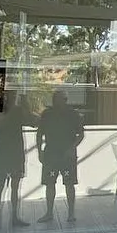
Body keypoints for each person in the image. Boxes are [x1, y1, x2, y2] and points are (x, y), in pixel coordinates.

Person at [36, 90, 85, 223]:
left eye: (58, 99)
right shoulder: (47, 114)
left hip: (67, 155)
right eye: (54, 99)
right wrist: (39, 151)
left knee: (69, 183)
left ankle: (71, 213)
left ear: (64, 100)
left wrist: (72, 148)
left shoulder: (73, 114)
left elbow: (81, 134)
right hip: (51, 154)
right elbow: (39, 134)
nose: (55, 102)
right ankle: (49, 212)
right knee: (49, 183)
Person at [0, 91, 31, 229]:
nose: (13, 99)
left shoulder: (19, 110)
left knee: (15, 186)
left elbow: (31, 120)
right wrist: (12, 110)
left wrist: (25, 105)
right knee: (0, 184)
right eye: (11, 97)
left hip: (16, 151)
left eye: (14, 97)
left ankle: (14, 217)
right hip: (4, 151)